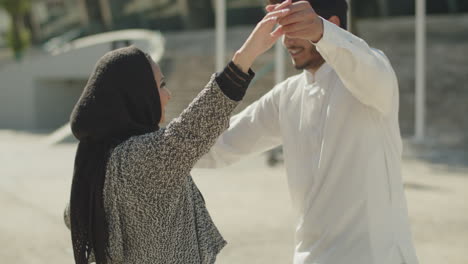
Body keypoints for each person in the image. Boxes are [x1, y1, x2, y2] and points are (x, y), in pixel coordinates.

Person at [63, 7, 292, 264]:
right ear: (136, 96)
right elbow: (192, 130)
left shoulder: (101, 157)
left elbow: (72, 214)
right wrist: (244, 58)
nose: (169, 94)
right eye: (160, 85)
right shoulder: (137, 160)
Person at [197, 0, 420, 263]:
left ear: (332, 24)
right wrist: (147, 145)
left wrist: (319, 31)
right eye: (283, 29)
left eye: (295, 28)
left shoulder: (374, 74)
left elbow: (360, 61)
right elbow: (218, 145)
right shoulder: (288, 95)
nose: (287, 41)